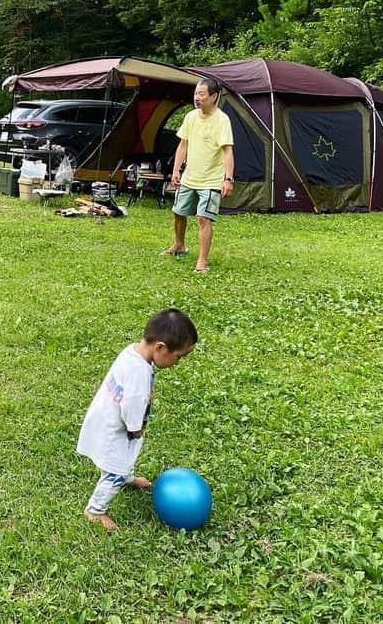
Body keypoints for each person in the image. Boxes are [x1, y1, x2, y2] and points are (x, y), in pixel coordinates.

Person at [77, 308, 198, 531]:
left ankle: (128, 477)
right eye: (178, 357)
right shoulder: (139, 375)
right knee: (116, 470)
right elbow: (131, 406)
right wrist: (137, 429)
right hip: (115, 430)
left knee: (125, 460)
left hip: (105, 419)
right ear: (160, 347)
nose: (177, 363)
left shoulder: (132, 352)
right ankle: (95, 510)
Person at [161, 78, 234, 273]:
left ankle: (202, 261)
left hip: (211, 179)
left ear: (214, 96)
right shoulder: (191, 117)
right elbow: (183, 145)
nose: (197, 98)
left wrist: (228, 179)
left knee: (203, 218)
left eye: (201, 94)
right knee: (178, 212)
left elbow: (227, 151)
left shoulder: (222, 120)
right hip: (189, 177)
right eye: (195, 94)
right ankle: (179, 245)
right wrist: (176, 170)